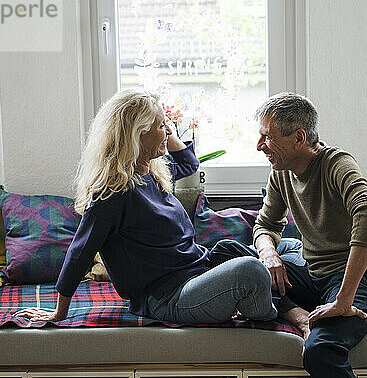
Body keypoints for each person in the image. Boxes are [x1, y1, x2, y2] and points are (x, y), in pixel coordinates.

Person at [15, 89, 277, 324]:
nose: (168, 130)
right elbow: (80, 252)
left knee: (274, 249)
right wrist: (58, 312)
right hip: (169, 297)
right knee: (251, 269)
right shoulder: (113, 192)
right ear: (137, 133)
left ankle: (267, 301)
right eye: (162, 125)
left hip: (197, 274)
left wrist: (166, 133)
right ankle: (275, 316)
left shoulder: (150, 173)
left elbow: (188, 164)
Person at [211, 92, 367, 378]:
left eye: (267, 137)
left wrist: (344, 300)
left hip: (362, 279)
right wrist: (269, 254)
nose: (259, 146)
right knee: (226, 253)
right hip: (314, 277)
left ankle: (318, 312)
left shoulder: (336, 163)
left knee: (319, 351)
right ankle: (298, 315)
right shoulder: (281, 172)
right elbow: (264, 226)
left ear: (299, 138)